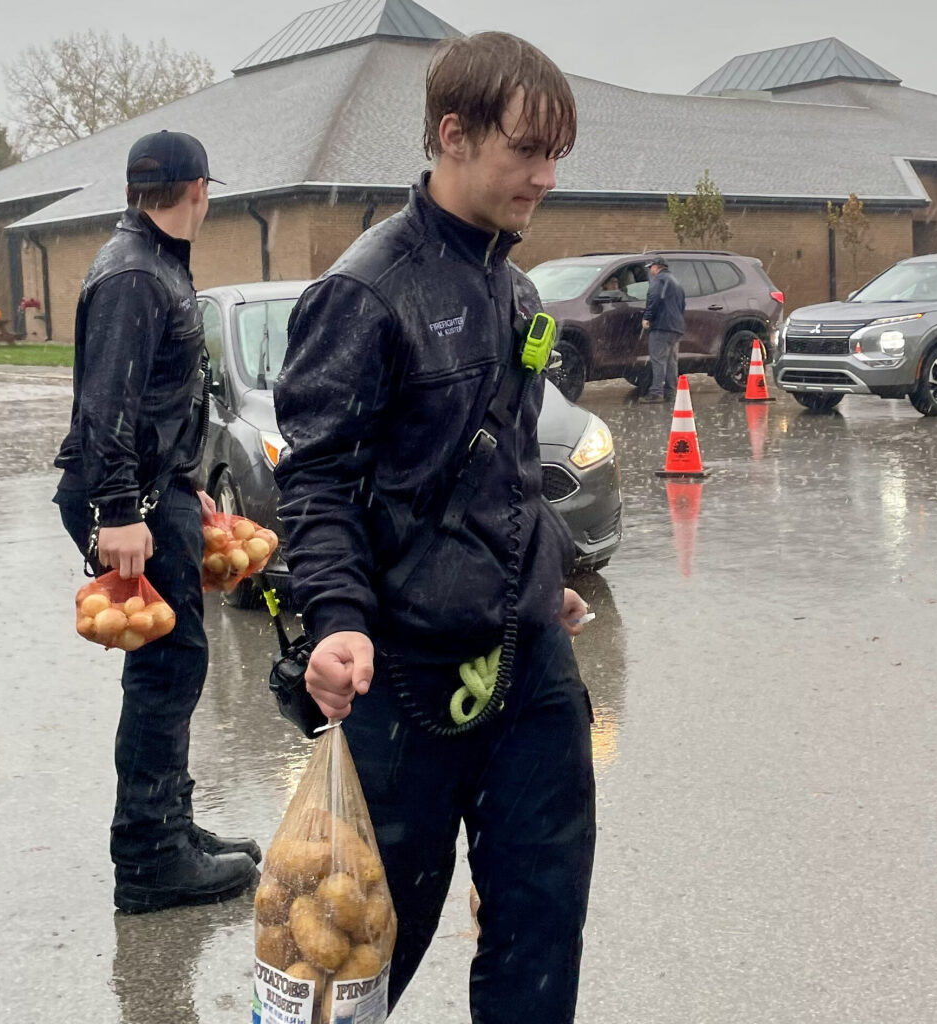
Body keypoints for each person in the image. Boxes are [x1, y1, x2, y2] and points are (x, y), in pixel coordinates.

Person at [274, 32, 596, 1024]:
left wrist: (538, 573)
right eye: (524, 152)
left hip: (526, 665)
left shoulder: (516, 287)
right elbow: (317, 481)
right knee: (353, 963)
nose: (543, 178)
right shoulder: (364, 291)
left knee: (540, 933)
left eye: (555, 156)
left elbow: (500, 468)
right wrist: (334, 618)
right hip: (403, 685)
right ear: (451, 135)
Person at [53, 130, 260, 914]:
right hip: (125, 500)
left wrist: (185, 487)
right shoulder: (136, 274)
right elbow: (107, 402)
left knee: (177, 665)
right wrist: (118, 511)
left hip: (151, 490)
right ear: (197, 189)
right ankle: (148, 856)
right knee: (165, 672)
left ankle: (170, 825)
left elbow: (157, 398)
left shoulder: (152, 261)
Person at [640, 255, 686, 403]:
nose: (650, 271)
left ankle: (656, 393)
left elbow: (653, 299)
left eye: (651, 268)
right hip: (676, 327)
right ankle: (671, 392)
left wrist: (647, 317)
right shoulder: (675, 282)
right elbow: (682, 305)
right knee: (671, 361)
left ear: (656, 267)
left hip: (661, 326)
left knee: (658, 360)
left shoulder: (658, 281)